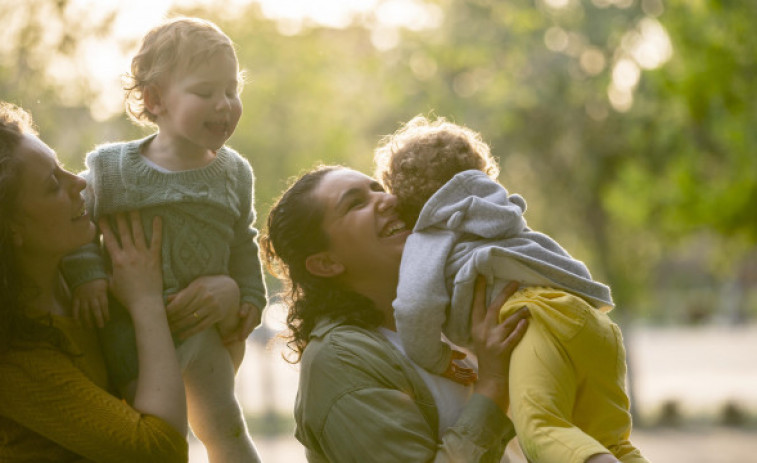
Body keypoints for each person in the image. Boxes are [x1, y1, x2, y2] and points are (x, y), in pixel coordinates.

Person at [374, 115, 648, 463]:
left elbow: (415, 305)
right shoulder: (504, 211)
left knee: (542, 432)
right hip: (590, 322)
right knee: (609, 442)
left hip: (534, 324)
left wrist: (438, 358)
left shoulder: (429, 235)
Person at [60, 17, 266, 462]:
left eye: (231, 90)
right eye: (205, 92)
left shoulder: (235, 172)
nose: (224, 104)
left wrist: (250, 293)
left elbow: (242, 240)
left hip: (202, 328)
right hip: (130, 332)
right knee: (155, 436)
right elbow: (78, 223)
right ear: (155, 100)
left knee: (226, 426)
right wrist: (88, 277)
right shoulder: (112, 170)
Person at [261, 164, 531, 462]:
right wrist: (492, 383)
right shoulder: (339, 363)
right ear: (326, 263)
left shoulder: (451, 313)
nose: (389, 200)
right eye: (355, 203)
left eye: (378, 188)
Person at [0, 101, 187, 461]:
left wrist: (225, 291)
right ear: (12, 228)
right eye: (53, 184)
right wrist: (146, 303)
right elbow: (159, 452)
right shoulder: (15, 360)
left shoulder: (82, 274)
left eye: (61, 167)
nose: (79, 182)